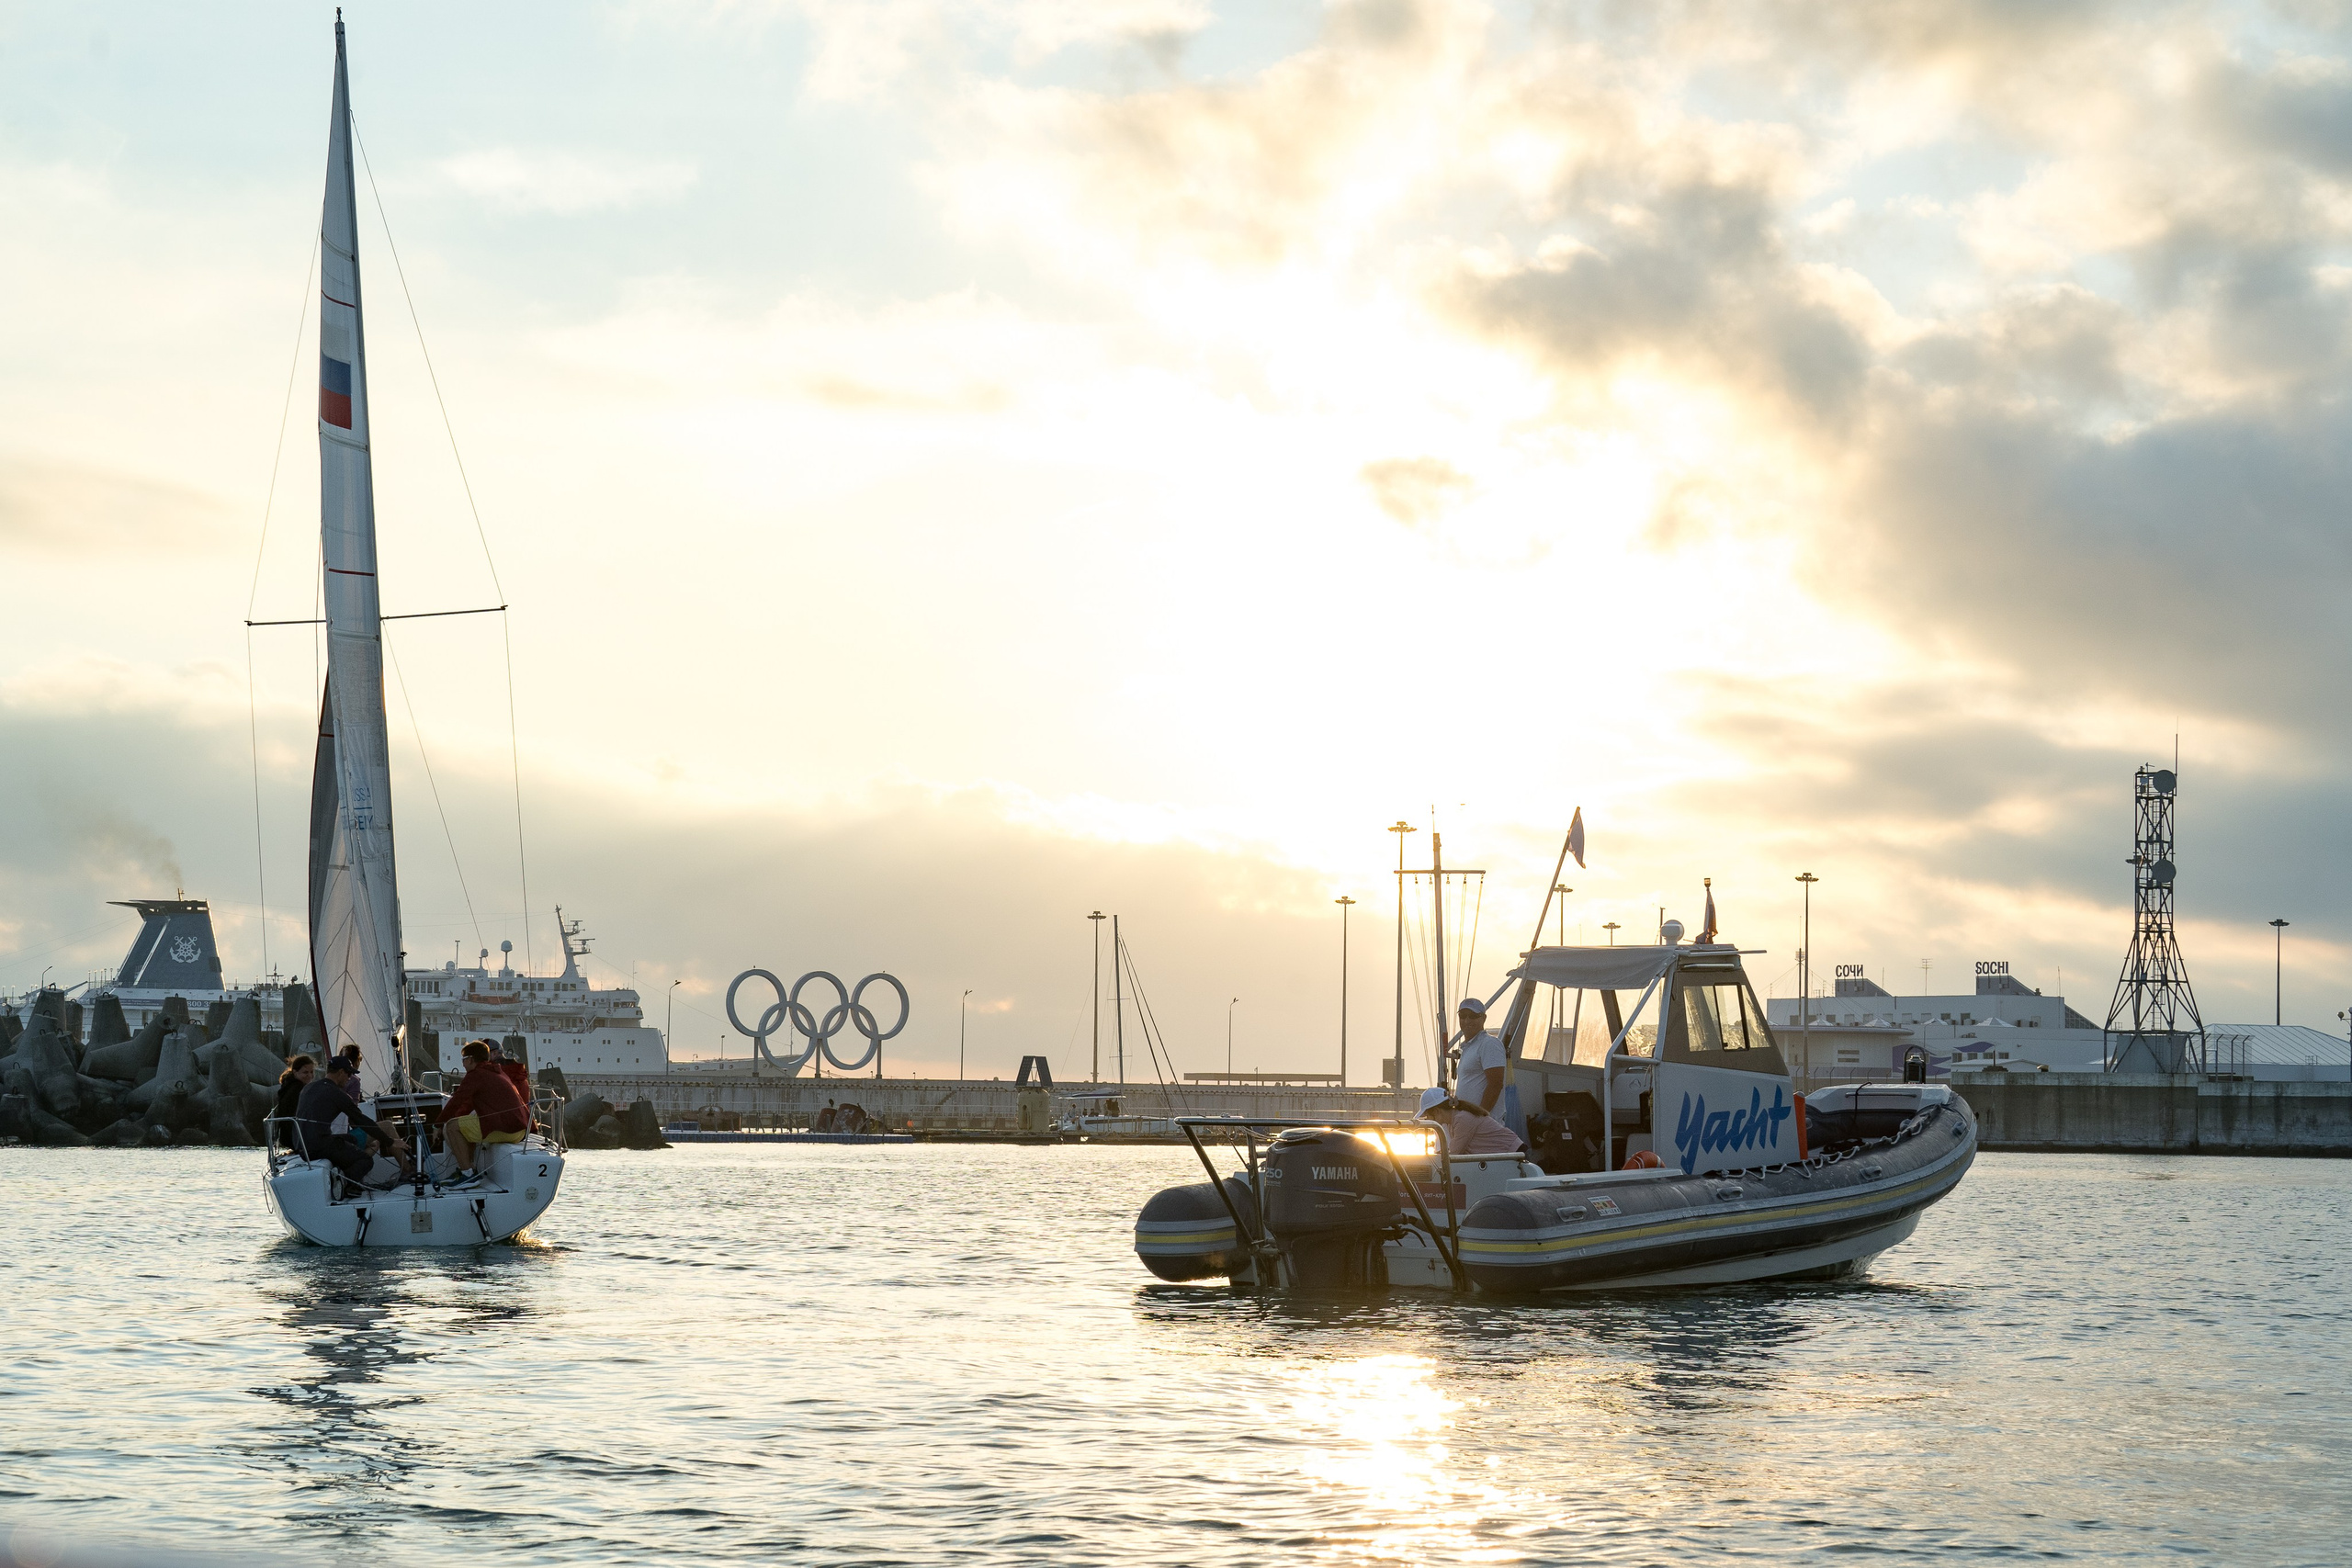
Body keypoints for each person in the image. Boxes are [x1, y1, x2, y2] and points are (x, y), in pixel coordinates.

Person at [294, 1058, 408, 1188]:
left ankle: (344, 1178)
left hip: (302, 1147)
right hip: (318, 1147)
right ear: (341, 1072)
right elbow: (362, 1121)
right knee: (365, 1160)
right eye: (349, 1074)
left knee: (351, 1139)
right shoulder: (336, 1093)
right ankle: (344, 1186)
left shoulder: (309, 1088)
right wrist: (390, 1141)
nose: (349, 1078)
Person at [436, 1039, 530, 1188]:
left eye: (463, 1059)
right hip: (520, 1130)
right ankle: (469, 1169)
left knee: (451, 1127)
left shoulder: (476, 1074)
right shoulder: (497, 1071)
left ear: (471, 1059)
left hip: (507, 1130)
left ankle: (468, 1174)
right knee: (465, 1123)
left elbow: (457, 1101)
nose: (463, 1064)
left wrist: (437, 1125)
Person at [1418, 1085, 1522, 1156]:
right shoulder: (1452, 1121)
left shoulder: (1462, 1119)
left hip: (1514, 1152)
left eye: (1427, 1116)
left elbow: (1455, 1154)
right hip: (1508, 1153)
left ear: (1436, 1111)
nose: (1428, 1120)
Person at [272, 1055, 317, 1150]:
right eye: (305, 1072)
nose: (310, 1075)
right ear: (295, 1072)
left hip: (286, 1137)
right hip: (296, 1138)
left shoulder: (287, 1086)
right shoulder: (299, 1089)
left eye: (312, 1072)